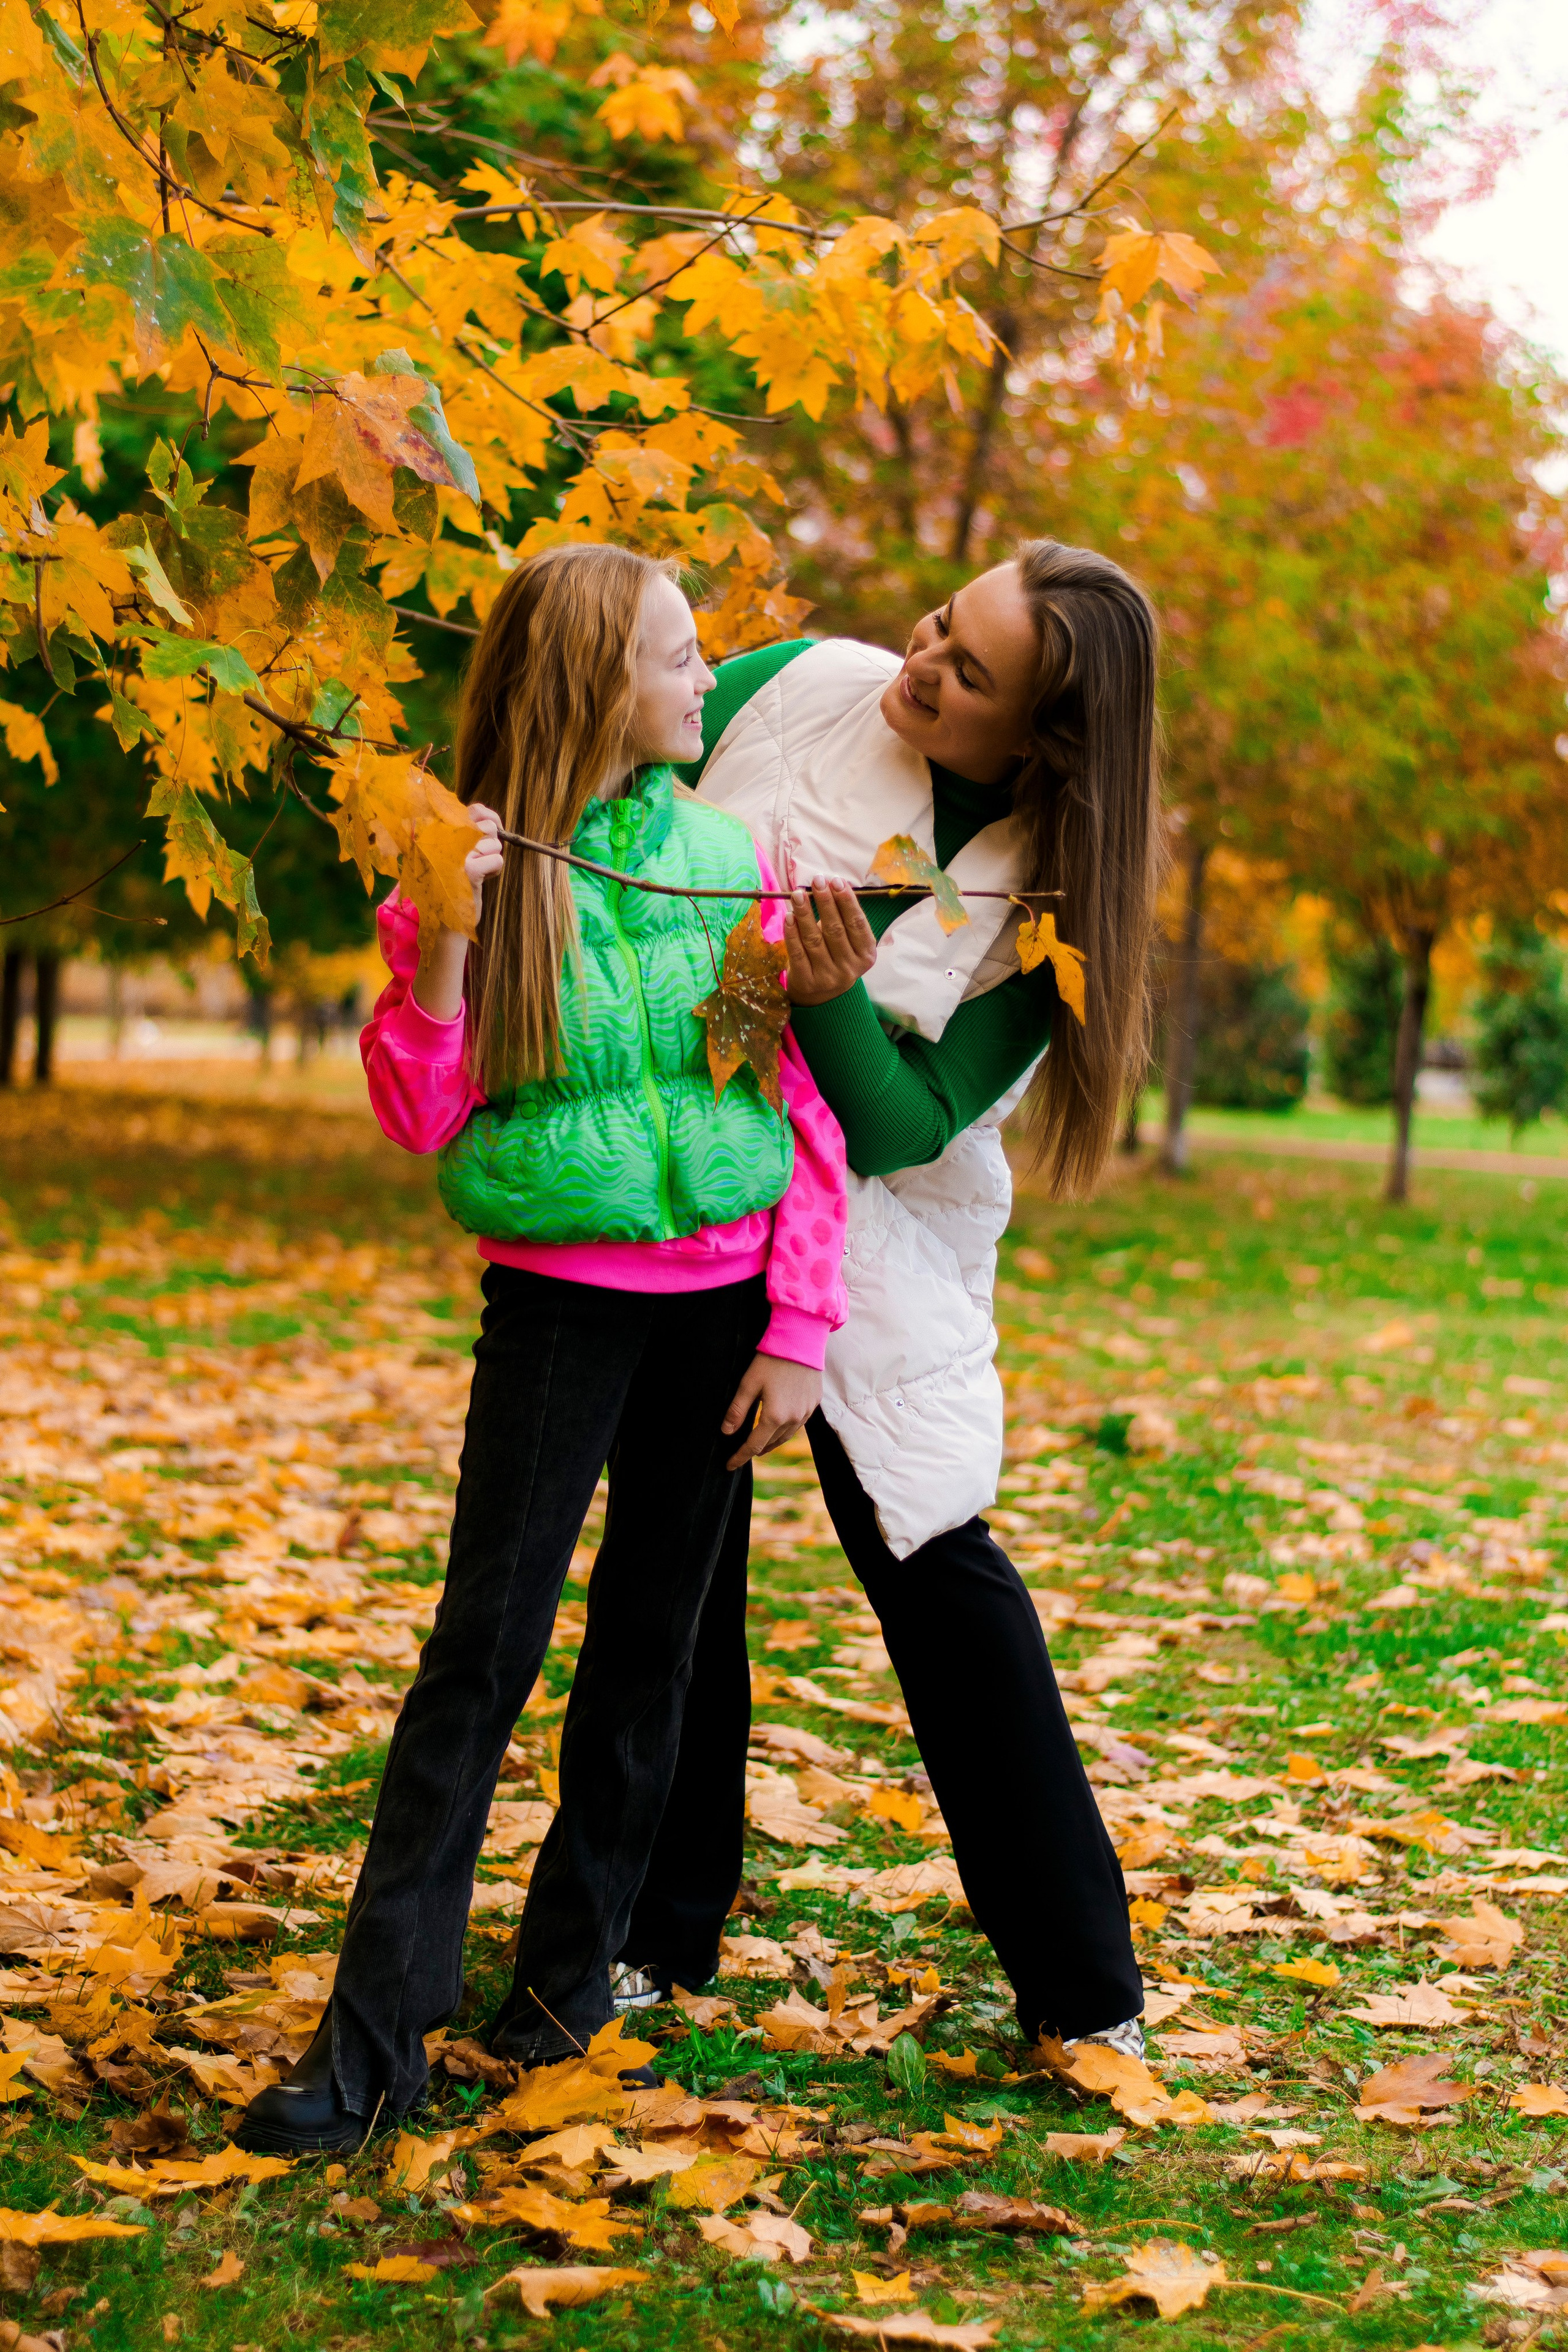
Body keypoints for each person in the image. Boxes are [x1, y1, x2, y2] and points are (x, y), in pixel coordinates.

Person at [236, 544, 848, 2155]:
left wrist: (801, 1323)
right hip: (561, 1306)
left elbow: (786, 1098)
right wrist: (445, 938)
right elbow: (423, 1108)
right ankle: (372, 2047)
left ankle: (566, 1992)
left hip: (721, 1306)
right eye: (679, 656)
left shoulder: (729, 857)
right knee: (484, 1650)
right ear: (598, 684)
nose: (708, 678)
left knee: (650, 1654)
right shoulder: (469, 869)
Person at [611, 541, 1158, 2057]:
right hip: (697, 1179)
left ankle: (1082, 1988)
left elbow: (911, 1125)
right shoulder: (802, 687)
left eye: (969, 672)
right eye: (939, 623)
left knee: (935, 1568)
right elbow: (619, 774)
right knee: (679, 1567)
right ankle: (655, 1932)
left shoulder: (1053, 903)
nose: (920, 663)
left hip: (875, 1245)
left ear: (1041, 737)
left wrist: (829, 995)